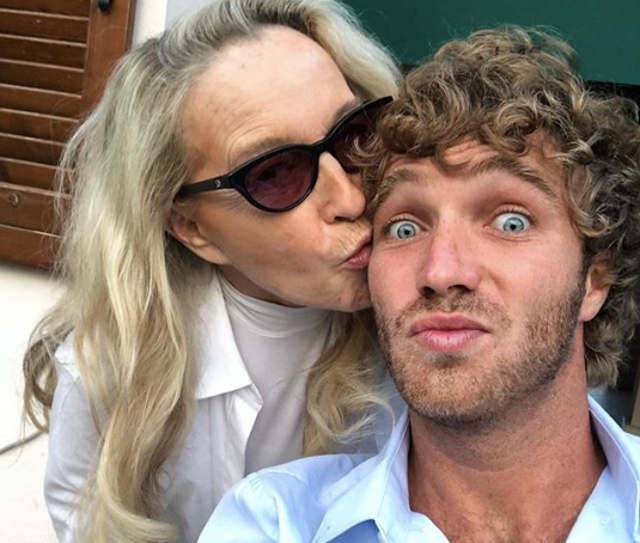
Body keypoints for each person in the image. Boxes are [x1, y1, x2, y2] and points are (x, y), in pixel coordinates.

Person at [200, 26, 640, 542]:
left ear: (594, 279)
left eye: (510, 222)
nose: (441, 271)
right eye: (405, 228)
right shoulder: (274, 523)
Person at [22, 1, 400, 541]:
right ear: (191, 227)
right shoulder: (112, 368)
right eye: (276, 173)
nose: (350, 196)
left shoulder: (431, 328)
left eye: (356, 134)